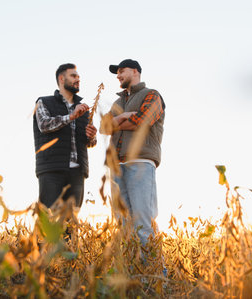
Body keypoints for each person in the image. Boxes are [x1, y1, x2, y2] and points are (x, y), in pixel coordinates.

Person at [103, 59, 165, 245]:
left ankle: (154, 272)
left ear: (135, 71)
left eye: (122, 71)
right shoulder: (117, 102)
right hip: (116, 166)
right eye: (117, 73)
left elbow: (143, 121)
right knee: (123, 224)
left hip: (141, 163)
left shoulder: (152, 95)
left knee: (143, 222)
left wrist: (119, 124)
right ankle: (132, 273)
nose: (118, 75)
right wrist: (123, 116)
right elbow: (104, 128)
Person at [33, 63, 97, 211]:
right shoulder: (43, 102)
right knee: (49, 220)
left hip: (77, 173)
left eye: (78, 77)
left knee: (71, 224)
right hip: (51, 170)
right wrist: (71, 116)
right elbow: (44, 125)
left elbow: (89, 143)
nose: (77, 79)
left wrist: (92, 137)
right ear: (61, 78)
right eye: (73, 76)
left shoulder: (84, 110)